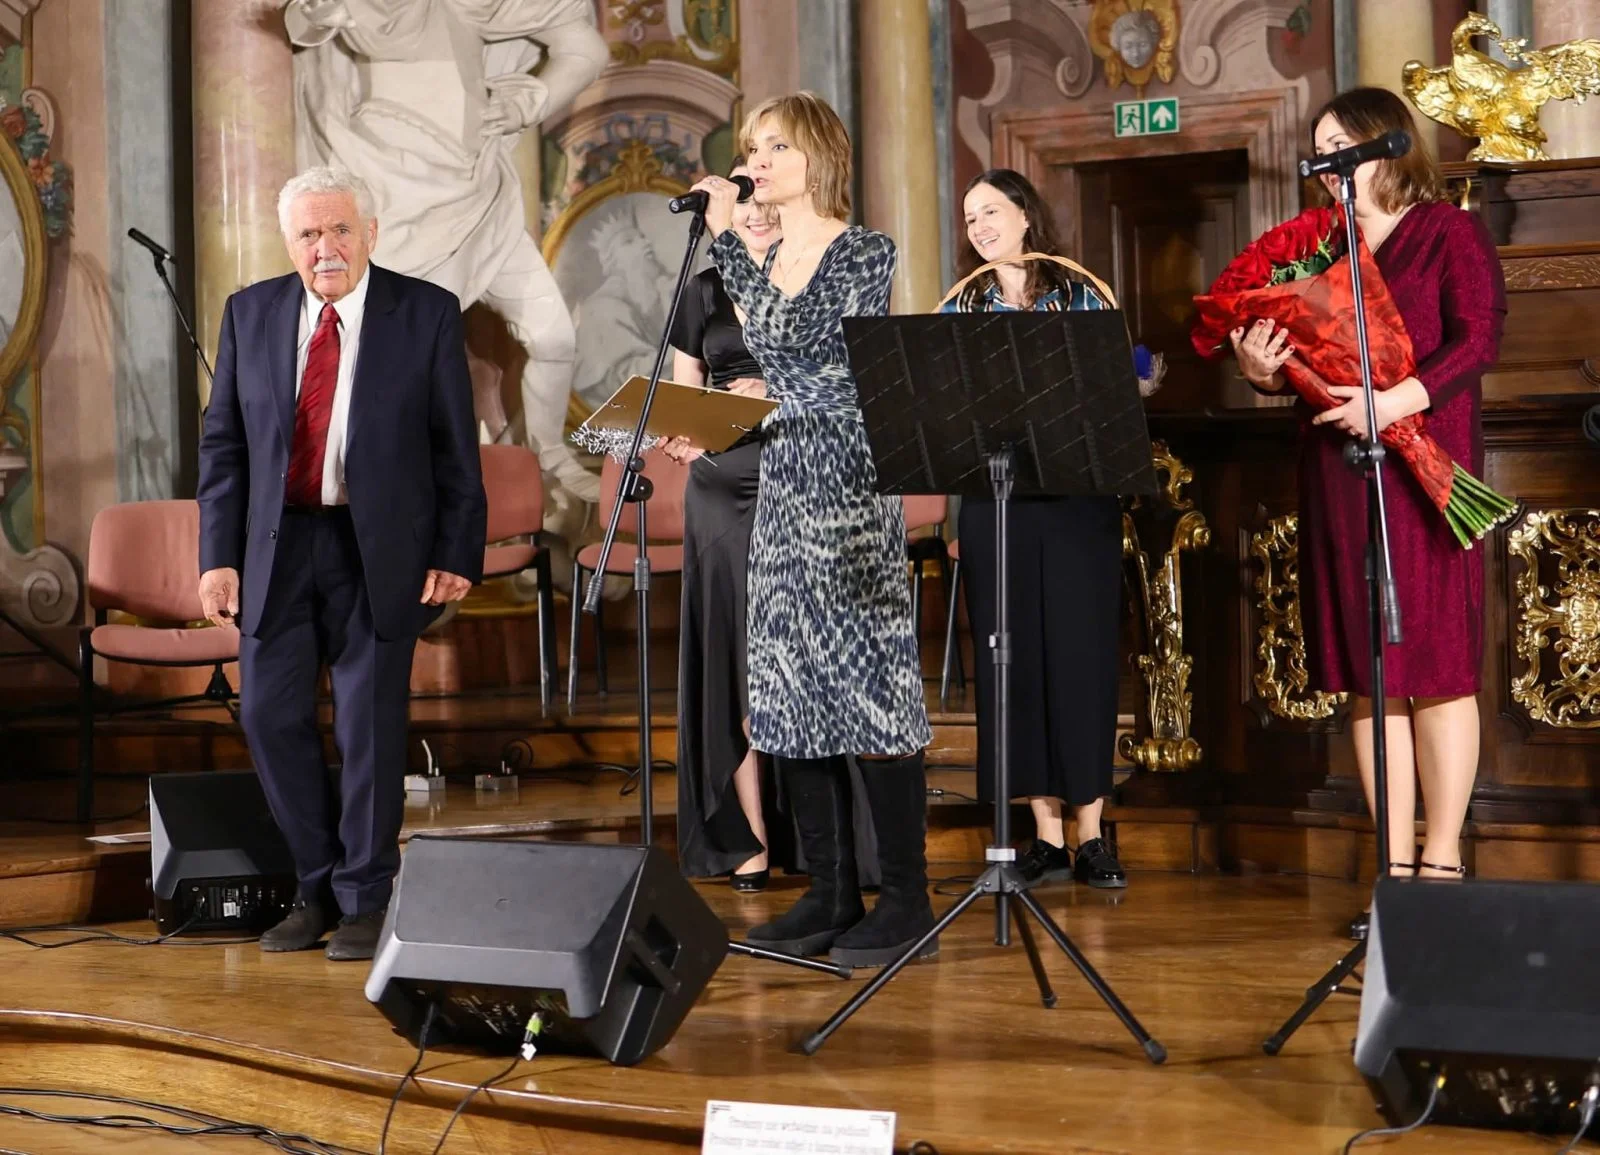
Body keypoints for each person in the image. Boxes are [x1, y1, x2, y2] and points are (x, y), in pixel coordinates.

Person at [1230, 88, 1505, 939]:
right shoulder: (1321, 250)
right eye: (1319, 150)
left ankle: (1442, 863)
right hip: (1339, 473)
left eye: (1341, 145)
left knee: (1437, 666)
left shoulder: (1448, 232)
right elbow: (1305, 365)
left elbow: (1479, 339)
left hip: (1426, 469)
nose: (1328, 164)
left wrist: (1393, 403)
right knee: (1369, 670)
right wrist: (1262, 370)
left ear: (1388, 146)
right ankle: (1392, 868)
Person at [196, 166, 486, 961]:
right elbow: (223, 446)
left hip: (378, 549)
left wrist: (456, 550)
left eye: (339, 230)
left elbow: (455, 448)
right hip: (278, 547)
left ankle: (366, 895)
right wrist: (217, 557)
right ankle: (314, 883)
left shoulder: (425, 313)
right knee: (268, 715)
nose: (325, 248)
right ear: (288, 242)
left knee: (368, 726)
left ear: (370, 233)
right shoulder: (250, 312)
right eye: (308, 234)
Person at [683, 93, 934, 969]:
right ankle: (830, 891)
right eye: (752, 147)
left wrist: (727, 242)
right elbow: (787, 373)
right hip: (784, 481)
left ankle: (906, 899)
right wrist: (731, 407)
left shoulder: (863, 251)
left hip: (849, 488)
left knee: (868, 688)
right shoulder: (767, 255)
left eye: (775, 147)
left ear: (819, 156)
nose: (755, 162)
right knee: (791, 688)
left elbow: (814, 359)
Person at [287, 0, 608, 506]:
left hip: (475, 190)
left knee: (553, 335)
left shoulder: (472, 5)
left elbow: (586, 48)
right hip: (395, 194)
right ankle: (354, 486)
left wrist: (531, 102)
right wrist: (317, 14)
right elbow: (299, 24)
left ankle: (547, 458)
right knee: (380, 359)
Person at [942, 168, 1134, 890]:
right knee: (1011, 663)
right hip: (998, 501)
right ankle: (1045, 836)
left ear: (1026, 215)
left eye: (991, 211)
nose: (980, 227)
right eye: (970, 218)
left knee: (1082, 659)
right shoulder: (963, 306)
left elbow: (1116, 388)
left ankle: (1092, 834)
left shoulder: (1081, 294)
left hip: (1078, 495)